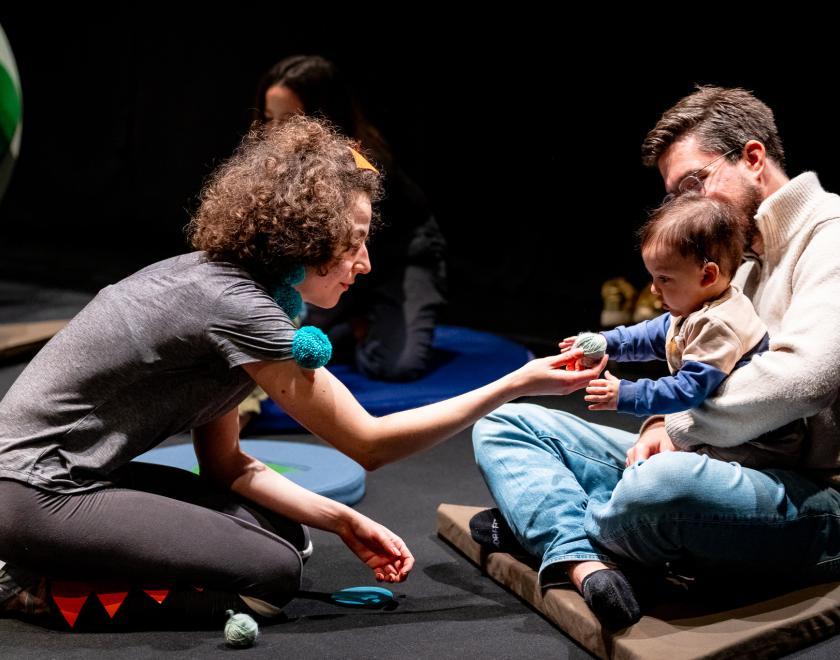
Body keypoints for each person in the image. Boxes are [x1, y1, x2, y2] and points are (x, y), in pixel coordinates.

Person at [0, 116, 604, 626]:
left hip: (63, 481)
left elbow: (226, 464)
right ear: (307, 236)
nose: (365, 264)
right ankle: (28, 584)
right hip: (34, 493)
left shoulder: (240, 292)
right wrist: (515, 384)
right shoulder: (237, 307)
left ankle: (50, 560)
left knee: (286, 534)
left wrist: (340, 518)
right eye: (355, 242)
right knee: (271, 574)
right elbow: (368, 443)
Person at [472, 86, 840, 630]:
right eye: (674, 195)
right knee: (506, 424)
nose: (686, 206)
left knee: (661, 486)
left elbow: (804, 379)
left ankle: (552, 530)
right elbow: (678, 340)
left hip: (812, 490)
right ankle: (589, 552)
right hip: (725, 454)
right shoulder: (734, 249)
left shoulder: (831, 235)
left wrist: (680, 425)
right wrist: (659, 413)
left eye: (694, 183)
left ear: (754, 158)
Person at [564, 193, 802, 469]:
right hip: (721, 432)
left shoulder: (719, 325)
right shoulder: (695, 308)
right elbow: (646, 335)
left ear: (707, 276)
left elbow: (688, 390)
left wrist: (626, 395)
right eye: (653, 277)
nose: (653, 289)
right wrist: (603, 342)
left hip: (759, 447)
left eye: (664, 279)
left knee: (660, 477)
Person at [255, 54, 447, 383]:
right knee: (280, 340)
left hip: (396, 261)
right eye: (268, 117)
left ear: (321, 115)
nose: (273, 130)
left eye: (287, 119)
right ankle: (346, 319)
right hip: (334, 262)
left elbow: (358, 247)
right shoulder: (277, 162)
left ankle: (363, 318)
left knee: (395, 365)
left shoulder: (359, 165)